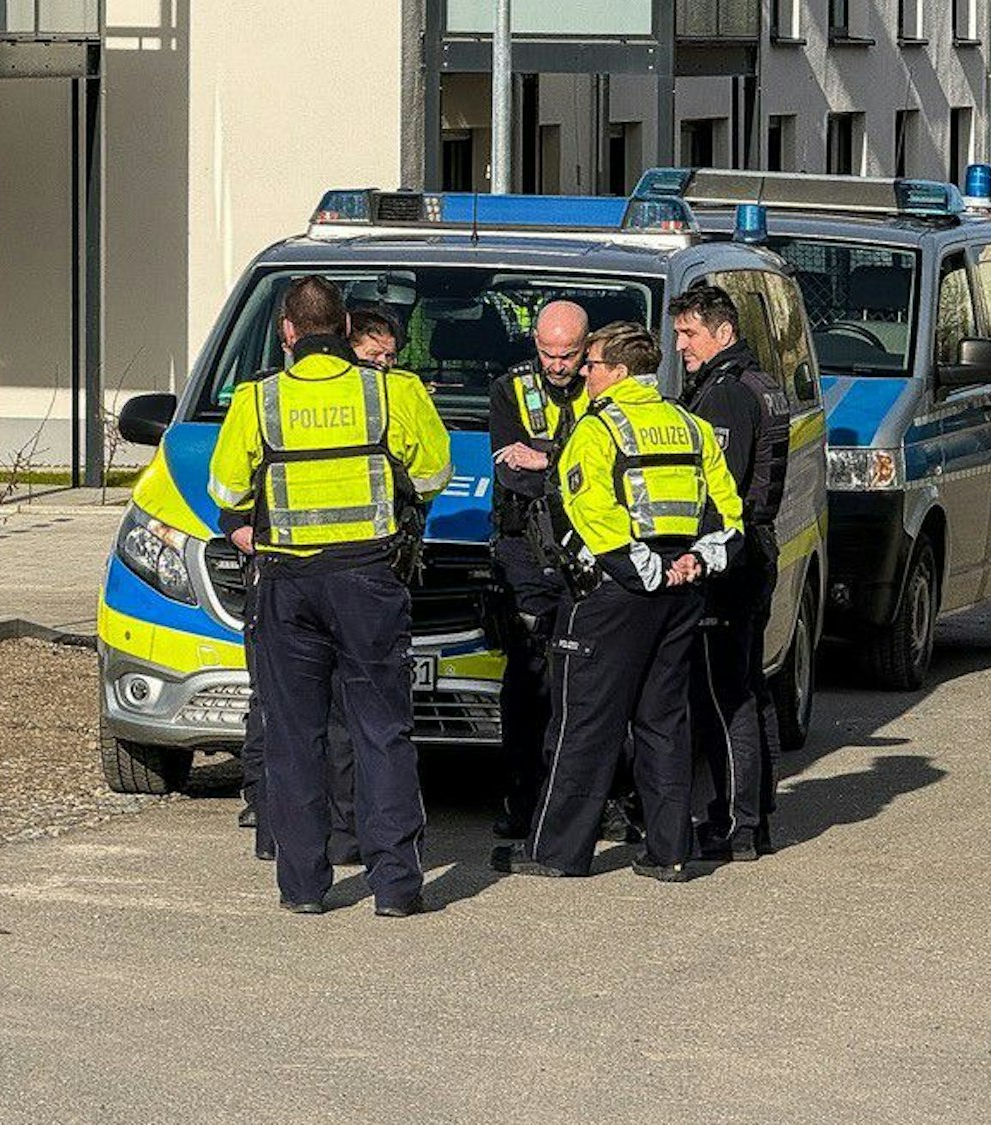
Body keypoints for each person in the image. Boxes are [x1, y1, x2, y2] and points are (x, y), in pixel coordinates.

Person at [210, 275, 453, 916]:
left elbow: (226, 490)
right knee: (382, 731)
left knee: (295, 738)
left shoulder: (257, 401)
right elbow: (433, 474)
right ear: (346, 329)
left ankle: (303, 888)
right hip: (369, 579)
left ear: (287, 333)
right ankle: (397, 887)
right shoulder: (391, 392)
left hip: (287, 585)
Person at [489, 322, 743, 882]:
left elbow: (592, 514)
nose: (584, 371)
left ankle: (557, 853)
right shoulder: (692, 427)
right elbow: (728, 515)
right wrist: (694, 562)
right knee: (664, 721)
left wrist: (644, 569)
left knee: (585, 721)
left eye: (593, 364)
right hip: (681, 594)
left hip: (615, 592)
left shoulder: (598, 429)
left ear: (619, 373)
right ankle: (669, 850)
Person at [670, 283, 792, 862]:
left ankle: (734, 822)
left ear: (722, 333)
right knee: (748, 687)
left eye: (689, 333)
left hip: (730, 560)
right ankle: (754, 814)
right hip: (754, 553)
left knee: (725, 696)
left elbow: (718, 491)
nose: (680, 345)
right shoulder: (757, 382)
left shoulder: (725, 395)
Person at [486, 300, 590, 839]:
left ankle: (597, 800)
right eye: (548, 353)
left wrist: (546, 457)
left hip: (589, 551)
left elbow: (608, 467)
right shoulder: (511, 389)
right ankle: (523, 800)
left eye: (568, 354)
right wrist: (571, 461)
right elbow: (512, 476)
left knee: (587, 684)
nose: (557, 364)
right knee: (526, 685)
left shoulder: (601, 381)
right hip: (525, 552)